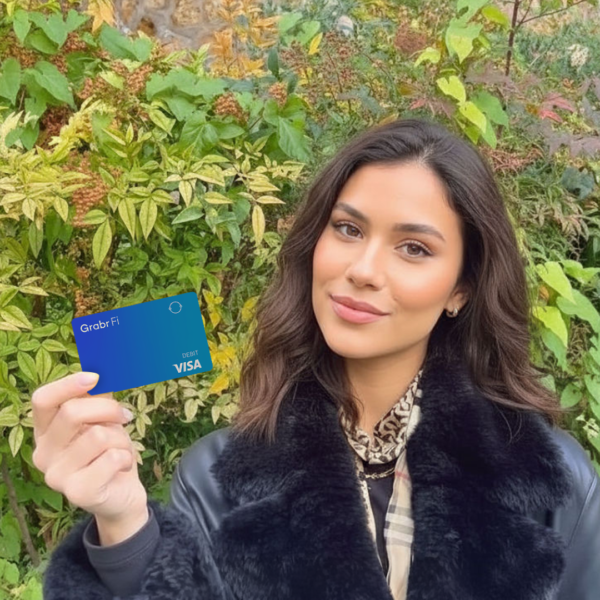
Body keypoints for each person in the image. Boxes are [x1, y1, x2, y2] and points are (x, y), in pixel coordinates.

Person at [33, 118, 600, 600]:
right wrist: (123, 523)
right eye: (348, 229)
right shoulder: (216, 479)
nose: (363, 269)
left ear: (461, 288)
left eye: (414, 248)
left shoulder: (552, 482)